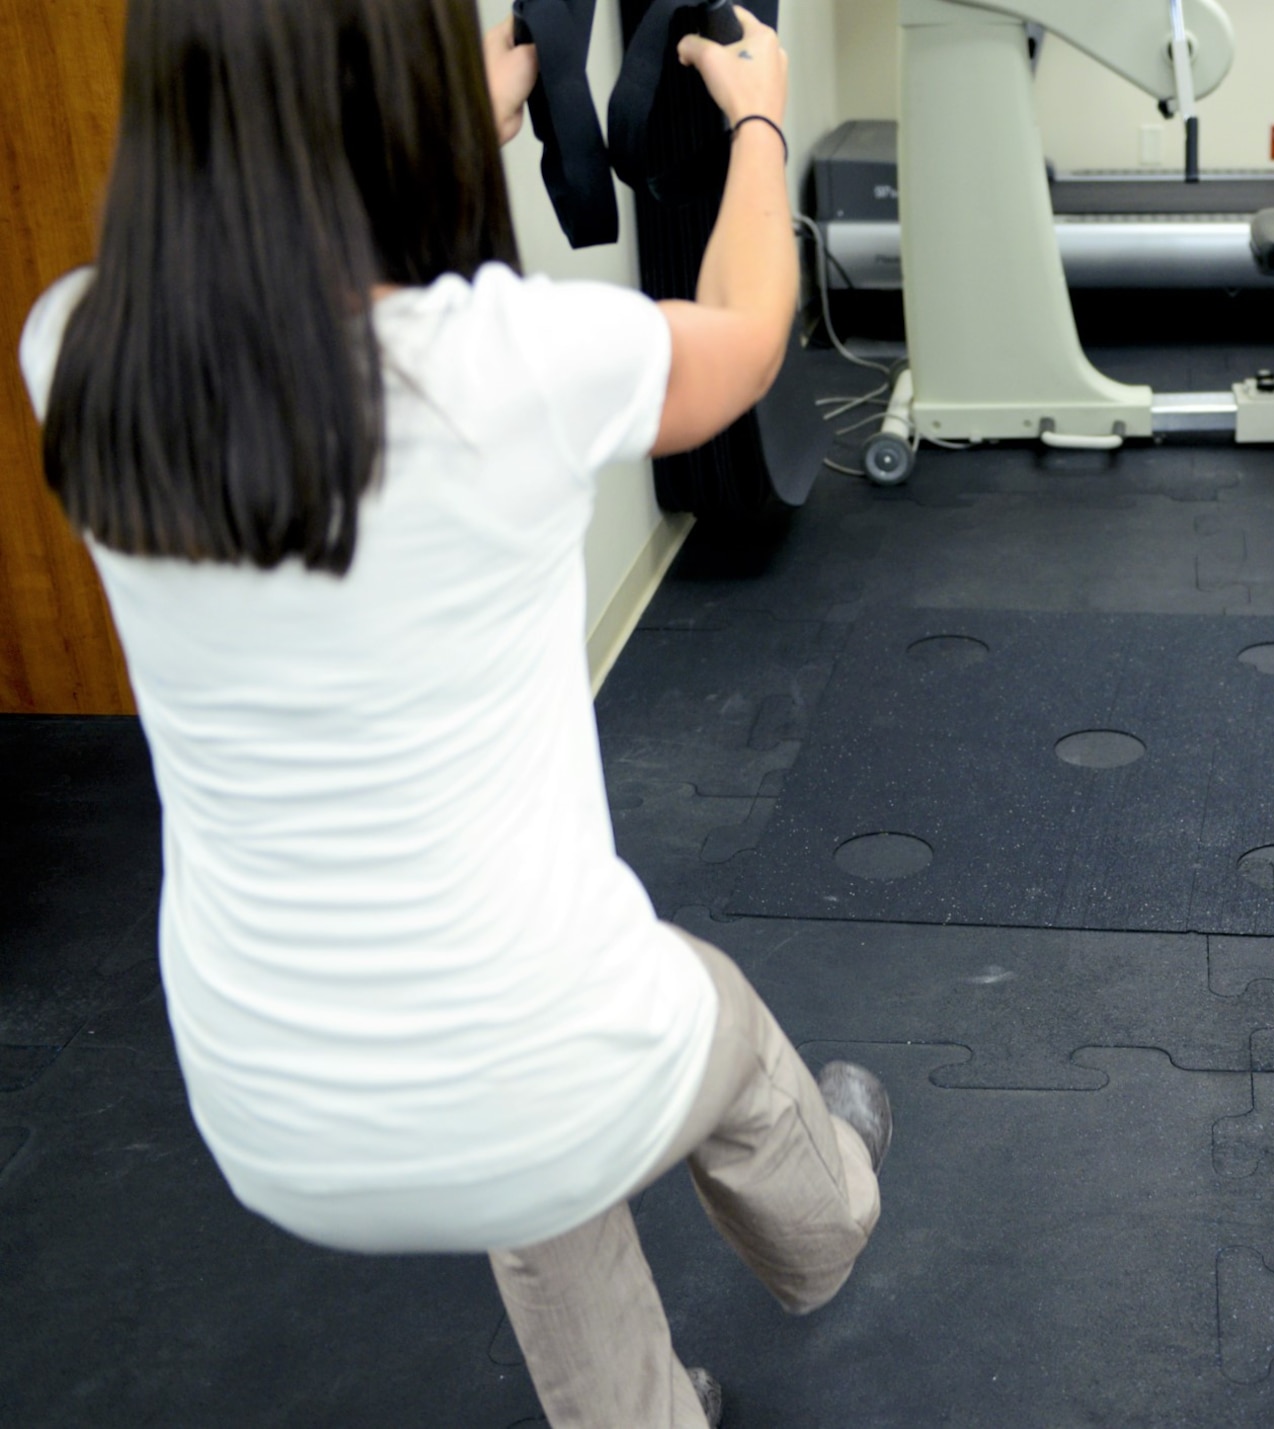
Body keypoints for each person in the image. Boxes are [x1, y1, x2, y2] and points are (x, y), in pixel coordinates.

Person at [16, 4, 882, 1424]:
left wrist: (405, 129)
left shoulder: (78, 353)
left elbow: (302, 315)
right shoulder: (515, 362)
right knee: (686, 1010)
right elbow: (745, 327)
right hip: (551, 1075)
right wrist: (761, 115)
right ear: (392, 102)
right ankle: (831, 1212)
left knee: (526, 1107)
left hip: (263, 1110)